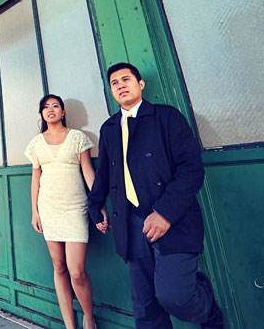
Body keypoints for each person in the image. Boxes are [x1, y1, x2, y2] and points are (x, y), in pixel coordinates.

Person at [88, 63, 224, 329]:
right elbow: (104, 173)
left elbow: (192, 169)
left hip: (173, 221)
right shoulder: (109, 128)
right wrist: (96, 206)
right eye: (114, 83)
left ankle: (208, 310)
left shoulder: (167, 117)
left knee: (176, 297)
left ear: (141, 84)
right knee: (146, 308)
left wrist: (165, 212)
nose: (120, 85)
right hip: (130, 222)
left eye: (126, 79)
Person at [26, 94, 102, 329]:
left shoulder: (78, 138)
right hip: (49, 208)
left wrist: (99, 205)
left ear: (63, 111)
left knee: (77, 272)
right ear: (41, 114)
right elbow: (35, 180)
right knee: (58, 266)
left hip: (75, 208)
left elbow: (88, 173)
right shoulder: (37, 143)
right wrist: (35, 212)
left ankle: (89, 318)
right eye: (46, 107)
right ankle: (70, 325)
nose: (50, 110)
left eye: (55, 106)